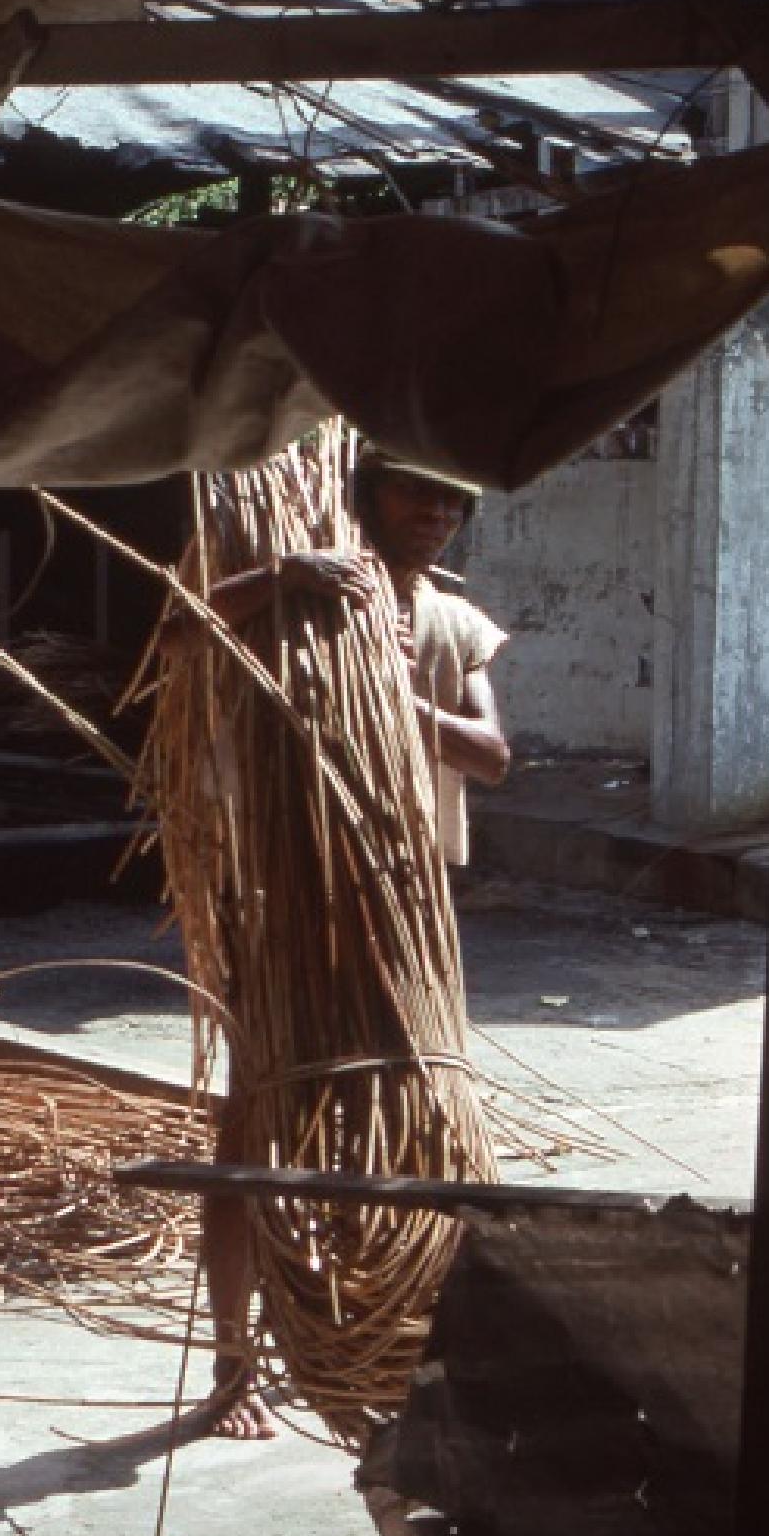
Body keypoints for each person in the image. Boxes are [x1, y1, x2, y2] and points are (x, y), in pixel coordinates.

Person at [190, 446, 510, 1439]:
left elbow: (493, 756)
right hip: (283, 899)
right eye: (417, 492)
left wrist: (393, 696)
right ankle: (234, 1362)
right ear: (362, 494)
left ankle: (405, 1338)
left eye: (453, 498)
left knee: (420, 1120)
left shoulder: (451, 620)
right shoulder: (301, 593)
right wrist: (280, 581)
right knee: (254, 1129)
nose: (437, 513)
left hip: (410, 909)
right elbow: (178, 630)